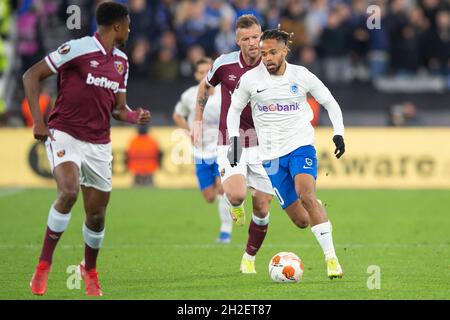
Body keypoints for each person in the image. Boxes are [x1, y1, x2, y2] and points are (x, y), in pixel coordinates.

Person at [23, 2, 150, 296]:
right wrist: (39, 121)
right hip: (64, 133)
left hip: (99, 144)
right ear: (117, 26)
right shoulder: (78, 48)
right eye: (128, 25)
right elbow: (31, 75)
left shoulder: (121, 62)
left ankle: (89, 269)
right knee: (68, 191)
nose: (130, 30)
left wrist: (133, 116)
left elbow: (119, 109)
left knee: (96, 216)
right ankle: (43, 265)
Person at [193, 15, 310, 274]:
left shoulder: (274, 65)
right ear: (237, 40)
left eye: (256, 36)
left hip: (266, 145)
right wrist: (198, 120)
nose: (253, 43)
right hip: (233, 140)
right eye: (246, 38)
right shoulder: (224, 64)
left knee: (262, 204)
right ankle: (236, 206)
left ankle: (249, 257)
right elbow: (204, 87)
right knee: (235, 194)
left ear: (262, 36)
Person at [227, 28, 345, 279]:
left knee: (307, 194)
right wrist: (234, 143)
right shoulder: (251, 80)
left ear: (284, 51)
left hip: (300, 147)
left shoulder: (301, 75)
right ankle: (314, 207)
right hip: (270, 158)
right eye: (263, 53)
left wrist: (339, 132)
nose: (267, 58)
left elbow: (329, 101)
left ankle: (332, 260)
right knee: (302, 220)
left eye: (272, 53)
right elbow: (233, 111)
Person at [173, 57, 233, 243]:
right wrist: (189, 132)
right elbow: (177, 114)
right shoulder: (190, 95)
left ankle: (226, 229)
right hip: (200, 152)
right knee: (209, 196)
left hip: (222, 148)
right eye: (201, 72)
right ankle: (231, 198)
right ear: (195, 74)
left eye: (208, 71)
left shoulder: (226, 93)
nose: (205, 75)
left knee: (223, 188)